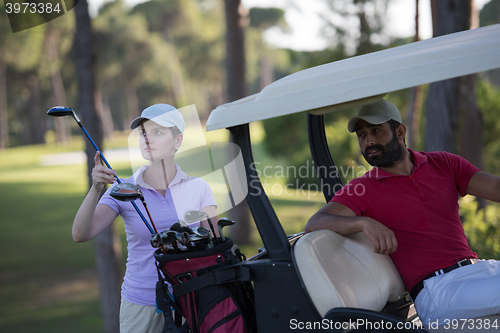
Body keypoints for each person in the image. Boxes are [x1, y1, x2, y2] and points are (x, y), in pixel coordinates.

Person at [305, 99, 500, 326]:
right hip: (438, 290)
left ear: (400, 131)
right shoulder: (364, 188)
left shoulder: (443, 163)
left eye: (376, 131)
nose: (369, 141)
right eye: (362, 135)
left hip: (479, 271)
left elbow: (495, 188)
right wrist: (364, 223)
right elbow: (316, 222)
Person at [72, 103, 218, 333]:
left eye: (158, 132)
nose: (147, 139)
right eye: (143, 133)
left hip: (191, 300)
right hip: (140, 304)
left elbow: (214, 249)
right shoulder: (123, 189)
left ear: (177, 141)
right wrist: (96, 189)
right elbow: (81, 234)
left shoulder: (199, 188)